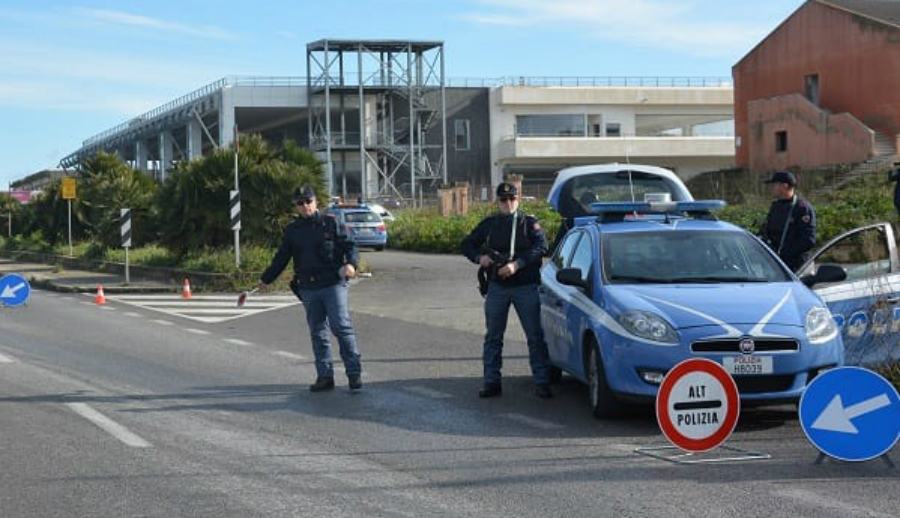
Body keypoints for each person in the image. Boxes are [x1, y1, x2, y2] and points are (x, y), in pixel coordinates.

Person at [258, 185, 363, 392]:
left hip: (333, 283)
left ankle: (353, 373)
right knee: (318, 332)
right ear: (296, 206)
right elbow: (281, 258)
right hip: (308, 286)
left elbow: (350, 245)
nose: (305, 205)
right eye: (300, 203)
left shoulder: (331, 222)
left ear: (316, 202)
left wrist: (351, 264)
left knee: (340, 326)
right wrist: (266, 279)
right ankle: (325, 377)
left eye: (308, 201)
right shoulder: (292, 231)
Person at [461, 182, 553, 399]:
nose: (508, 203)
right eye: (503, 200)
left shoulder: (528, 223)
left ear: (518, 200)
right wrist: (479, 258)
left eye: (512, 199)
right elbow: (467, 244)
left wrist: (517, 264)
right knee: (493, 336)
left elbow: (541, 247)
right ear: (498, 202)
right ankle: (491, 381)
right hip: (498, 287)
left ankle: (542, 382)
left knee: (534, 336)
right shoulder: (490, 224)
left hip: (525, 286)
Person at [758, 171, 816, 271]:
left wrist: (784, 253)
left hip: (796, 266)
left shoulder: (802, 208)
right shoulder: (775, 206)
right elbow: (767, 231)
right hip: (775, 264)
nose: (771, 188)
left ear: (784, 186)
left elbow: (808, 240)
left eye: (774, 185)